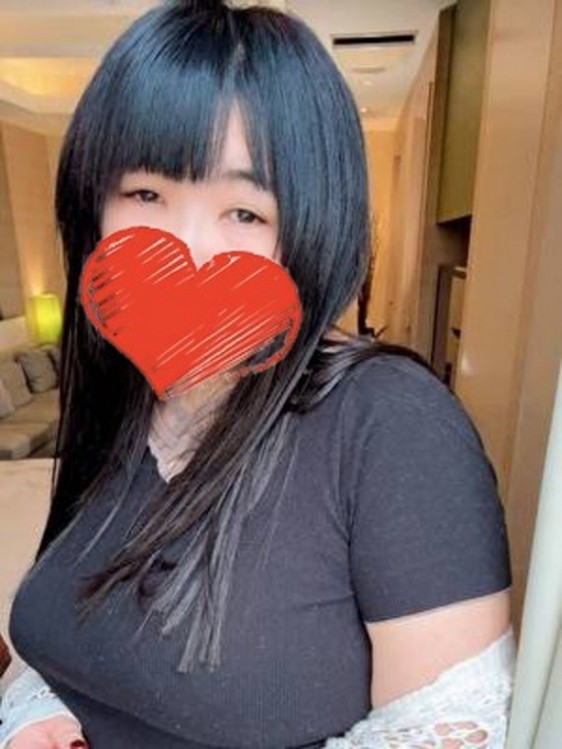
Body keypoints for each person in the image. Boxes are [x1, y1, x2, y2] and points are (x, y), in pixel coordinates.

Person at [0, 0, 515, 747]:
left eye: (243, 212)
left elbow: (449, 730)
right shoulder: (122, 394)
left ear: (311, 226)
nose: (187, 248)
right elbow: (71, 635)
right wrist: (35, 707)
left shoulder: (393, 423)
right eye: (145, 195)